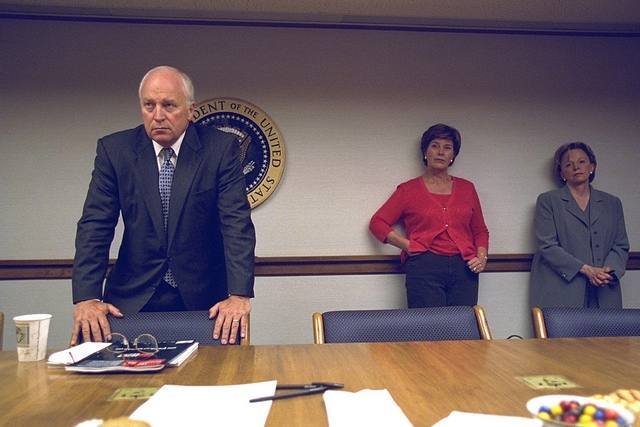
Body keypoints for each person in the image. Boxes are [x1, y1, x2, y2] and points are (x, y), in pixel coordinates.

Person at [71, 66, 256, 345]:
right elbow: (95, 225)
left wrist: (238, 295)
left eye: (169, 105)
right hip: (132, 297)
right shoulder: (115, 151)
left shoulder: (220, 149)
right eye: (149, 105)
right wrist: (87, 296)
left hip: (204, 299)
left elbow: (236, 224)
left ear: (191, 110)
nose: (158, 115)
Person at [369, 123, 489, 307]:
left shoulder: (467, 188)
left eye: (447, 147)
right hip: (424, 267)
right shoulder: (408, 190)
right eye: (435, 145)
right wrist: (407, 245)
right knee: (429, 329)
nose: (440, 152)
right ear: (425, 152)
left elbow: (480, 230)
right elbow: (378, 223)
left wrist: (481, 257)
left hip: (464, 268)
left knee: (463, 328)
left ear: (453, 156)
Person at [530, 142, 629, 308]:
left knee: (609, 333)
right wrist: (586, 270)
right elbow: (547, 245)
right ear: (561, 173)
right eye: (568, 164)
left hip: (604, 289)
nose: (576, 167)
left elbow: (620, 245)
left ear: (592, 167)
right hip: (561, 289)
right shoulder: (548, 201)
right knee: (565, 334)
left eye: (582, 162)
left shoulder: (612, 203)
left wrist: (607, 272)